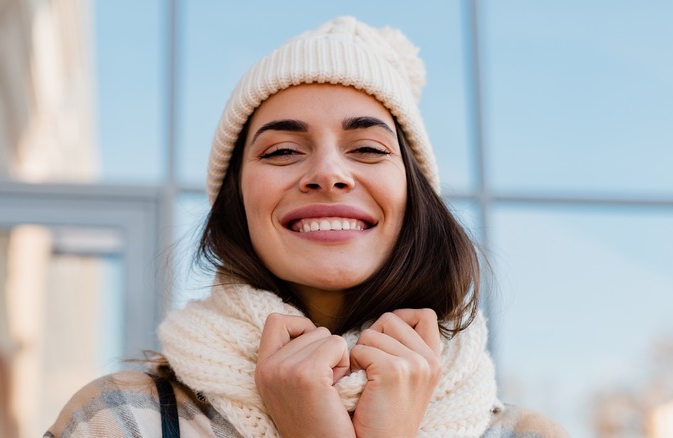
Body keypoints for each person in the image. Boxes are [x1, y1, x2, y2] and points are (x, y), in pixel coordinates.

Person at [47, 16, 568, 437]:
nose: (327, 174)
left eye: (367, 149)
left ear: (414, 197)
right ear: (236, 200)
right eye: (282, 151)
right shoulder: (119, 418)